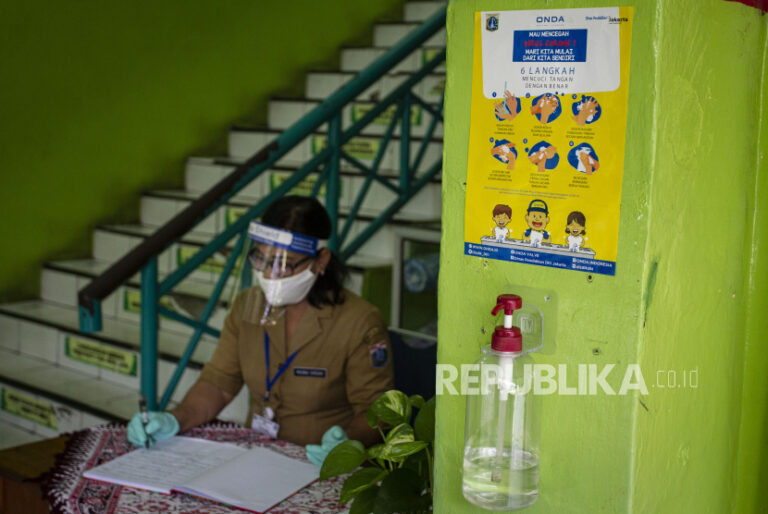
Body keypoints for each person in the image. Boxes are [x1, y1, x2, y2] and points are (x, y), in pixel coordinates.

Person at [127, 196, 394, 462]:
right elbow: (219, 384)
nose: (270, 274)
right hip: (256, 455)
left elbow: (377, 410)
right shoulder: (248, 305)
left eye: (284, 264)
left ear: (320, 260)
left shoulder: (360, 321)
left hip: (318, 465)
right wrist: (176, 418)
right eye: (262, 260)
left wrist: (347, 443)